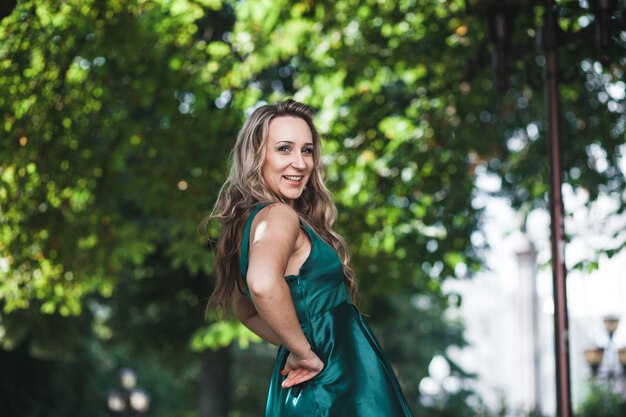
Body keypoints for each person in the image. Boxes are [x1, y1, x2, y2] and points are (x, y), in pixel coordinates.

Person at [204, 99, 415, 417]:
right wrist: (304, 351)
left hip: (325, 376)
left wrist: (296, 343)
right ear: (257, 157)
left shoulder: (254, 223)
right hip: (331, 382)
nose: (301, 163)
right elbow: (260, 285)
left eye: (307, 150)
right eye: (284, 149)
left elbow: (244, 309)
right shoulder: (278, 216)